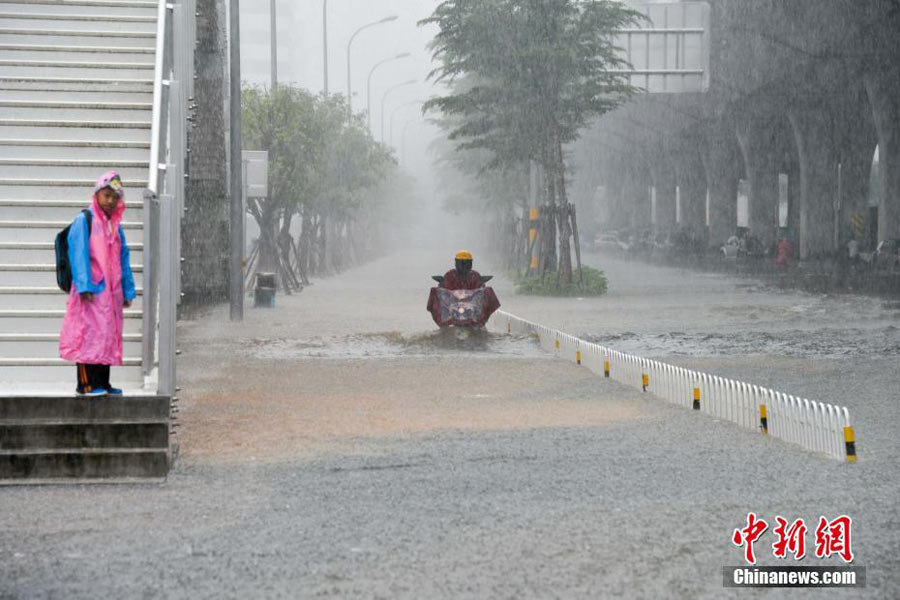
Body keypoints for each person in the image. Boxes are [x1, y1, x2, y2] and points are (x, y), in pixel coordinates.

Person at [59, 171, 136, 396]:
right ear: (97, 194)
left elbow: (124, 258)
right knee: (88, 336)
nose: (111, 201)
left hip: (110, 294)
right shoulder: (85, 220)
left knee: (106, 336)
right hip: (91, 291)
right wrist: (84, 285)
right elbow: (78, 253)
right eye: (106, 195)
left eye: (115, 197)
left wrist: (127, 290)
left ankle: (103, 382)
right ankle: (86, 384)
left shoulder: (115, 226)